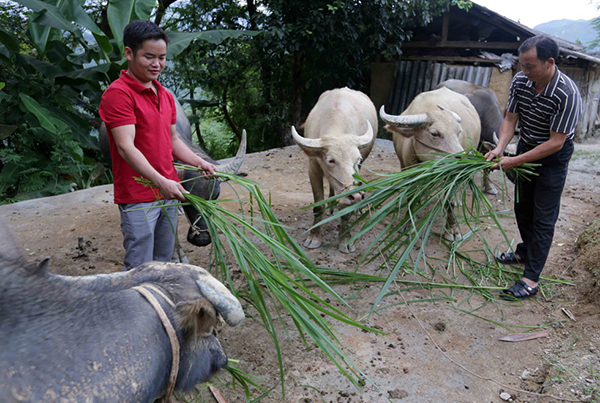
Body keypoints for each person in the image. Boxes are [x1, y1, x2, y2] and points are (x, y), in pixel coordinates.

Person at [99, 20, 217, 270]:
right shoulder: (118, 94)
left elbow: (173, 140)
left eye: (162, 57)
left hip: (169, 191)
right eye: (149, 57)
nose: (157, 64)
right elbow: (125, 147)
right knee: (140, 267)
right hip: (139, 195)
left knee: (164, 263)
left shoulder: (164, 94)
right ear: (129, 53)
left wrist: (199, 162)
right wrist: (161, 181)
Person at [486, 35, 582, 300]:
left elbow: (556, 143)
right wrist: (500, 148)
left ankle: (531, 279)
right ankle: (525, 251)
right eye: (521, 65)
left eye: (530, 66)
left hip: (552, 158)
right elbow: (510, 118)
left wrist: (514, 161)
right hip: (526, 149)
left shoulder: (567, 93)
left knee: (543, 217)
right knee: (522, 206)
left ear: (549, 63)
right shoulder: (520, 81)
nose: (524, 72)